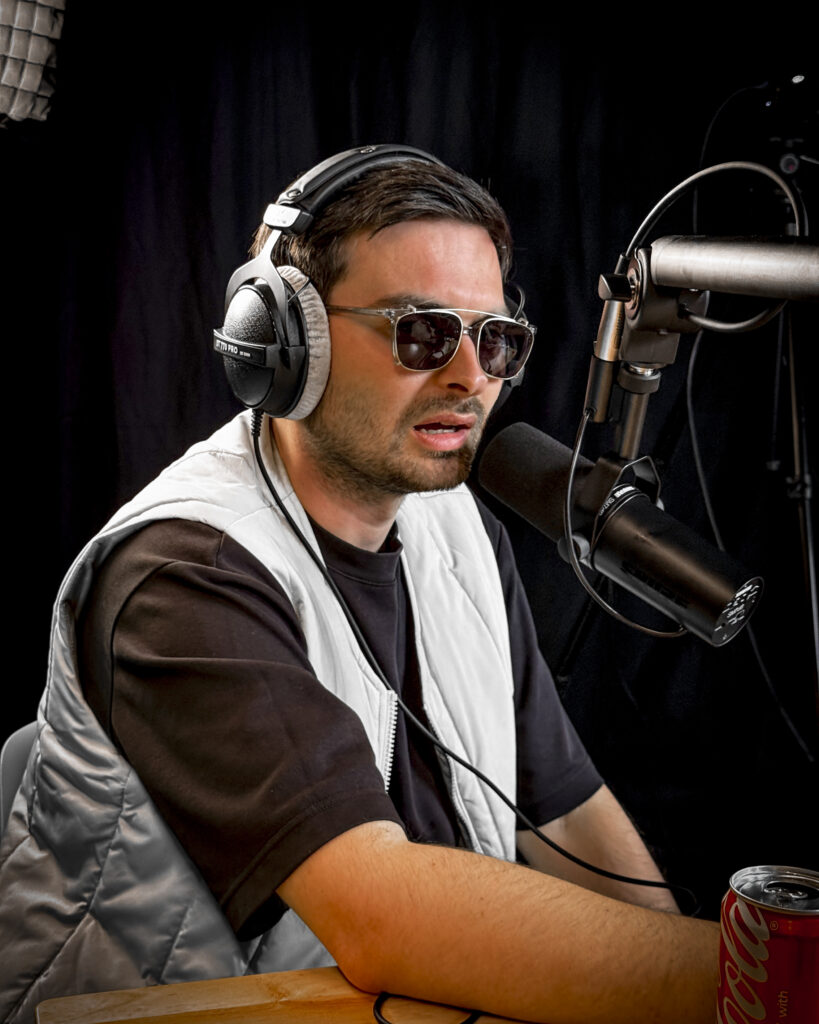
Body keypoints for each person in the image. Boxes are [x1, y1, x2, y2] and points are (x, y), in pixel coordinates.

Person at [0, 146, 719, 1024]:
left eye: (495, 339)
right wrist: (746, 981)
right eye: (422, 332)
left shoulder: (458, 529)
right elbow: (383, 918)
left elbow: (567, 816)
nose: (469, 377)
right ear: (282, 341)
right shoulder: (183, 574)